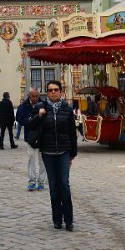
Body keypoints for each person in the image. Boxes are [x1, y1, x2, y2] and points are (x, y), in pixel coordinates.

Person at [29, 80, 77, 230]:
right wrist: (39, 115)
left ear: (61, 92)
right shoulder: (41, 108)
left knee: (64, 184)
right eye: (50, 90)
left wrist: (72, 154)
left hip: (63, 151)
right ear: (47, 93)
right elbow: (31, 126)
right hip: (48, 152)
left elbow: (72, 134)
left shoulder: (67, 110)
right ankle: (57, 219)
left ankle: (68, 220)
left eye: (56, 90)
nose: (53, 92)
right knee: (54, 186)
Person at [17, 87, 46, 191]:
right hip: (30, 136)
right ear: (29, 95)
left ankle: (42, 181)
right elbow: (19, 119)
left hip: (43, 136)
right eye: (33, 96)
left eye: (37, 96)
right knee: (31, 160)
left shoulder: (44, 104)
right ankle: (32, 182)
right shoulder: (23, 106)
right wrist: (30, 119)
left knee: (43, 160)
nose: (35, 98)